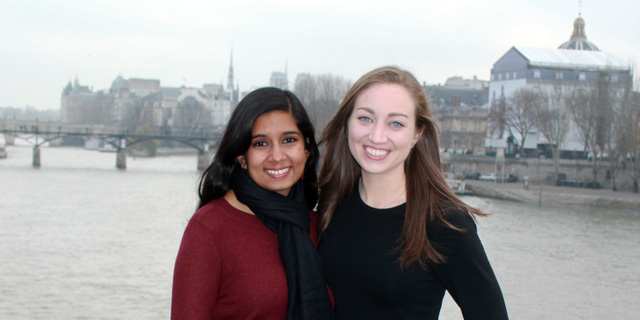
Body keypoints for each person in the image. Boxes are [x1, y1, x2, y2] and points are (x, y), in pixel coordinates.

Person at [317, 66, 508, 319]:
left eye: (395, 123)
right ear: (347, 123)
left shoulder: (443, 223)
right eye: (365, 118)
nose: (376, 136)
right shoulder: (333, 201)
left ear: (417, 134)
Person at [172, 87, 333, 320]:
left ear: (306, 150)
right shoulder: (209, 230)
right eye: (261, 144)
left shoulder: (317, 225)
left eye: (288, 140)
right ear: (241, 157)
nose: (277, 156)